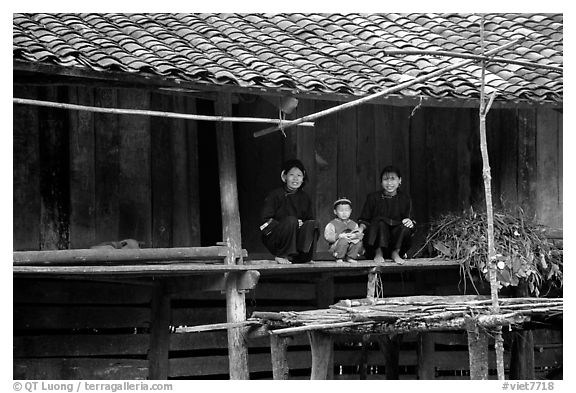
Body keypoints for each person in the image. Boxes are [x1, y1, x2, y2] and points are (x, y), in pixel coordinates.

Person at [260, 159, 320, 264]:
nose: (295, 178)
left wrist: (302, 224)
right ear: (284, 176)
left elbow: (309, 220)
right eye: (291, 175)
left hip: (296, 237)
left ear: (303, 177)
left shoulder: (305, 198)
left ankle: (304, 257)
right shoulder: (275, 195)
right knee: (292, 221)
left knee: (313, 224)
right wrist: (288, 224)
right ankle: (282, 255)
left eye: (299, 175)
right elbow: (264, 221)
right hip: (275, 238)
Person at [357, 165, 415, 264]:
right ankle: (378, 252)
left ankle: (395, 253)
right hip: (374, 243)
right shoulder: (373, 198)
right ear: (381, 182)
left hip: (397, 242)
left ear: (399, 180)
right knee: (380, 222)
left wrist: (410, 222)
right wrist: (360, 229)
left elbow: (411, 220)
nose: (389, 183)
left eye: (393, 179)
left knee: (405, 227)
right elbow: (364, 219)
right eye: (385, 179)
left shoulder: (405, 199)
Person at [324, 198, 364, 263]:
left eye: (347, 210)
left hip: (350, 245)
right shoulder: (332, 224)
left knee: (358, 242)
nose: (344, 213)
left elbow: (360, 235)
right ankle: (339, 257)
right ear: (335, 212)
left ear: (351, 211)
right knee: (343, 240)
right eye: (341, 211)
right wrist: (339, 236)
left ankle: (350, 257)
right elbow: (328, 237)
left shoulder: (354, 224)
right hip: (336, 246)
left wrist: (354, 235)